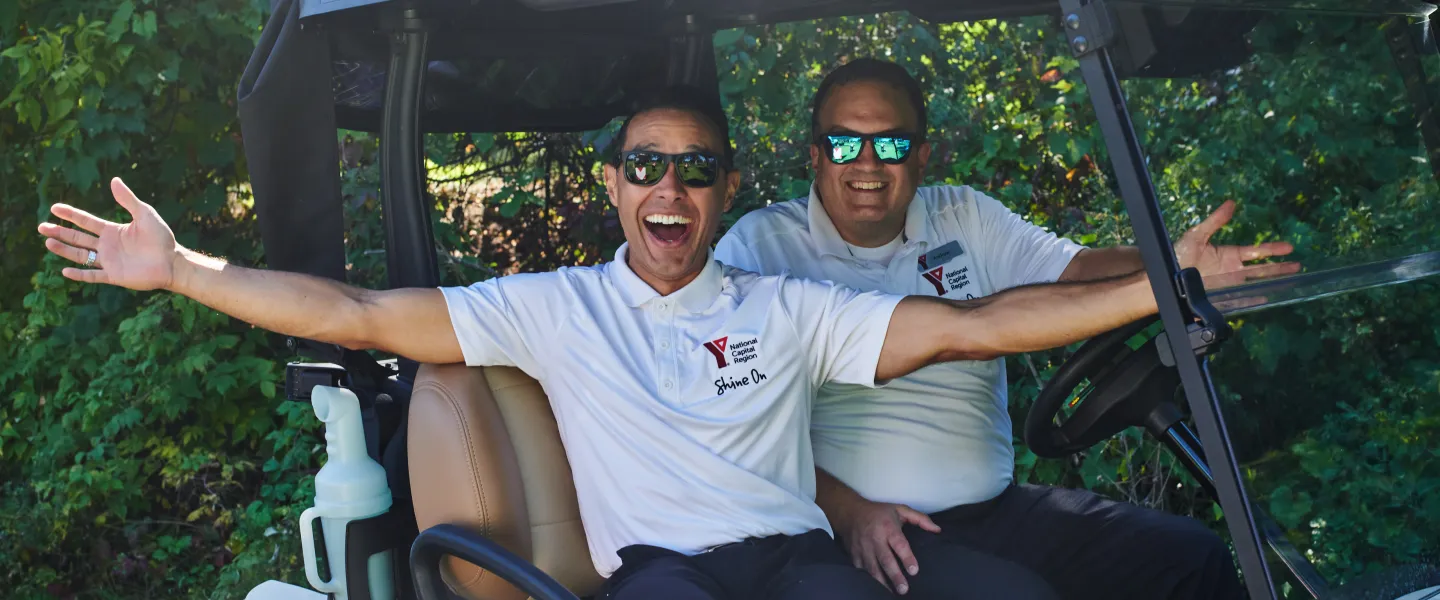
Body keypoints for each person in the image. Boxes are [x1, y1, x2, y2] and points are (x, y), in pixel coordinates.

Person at [40, 87, 1162, 600]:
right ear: (614, 184)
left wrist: (1166, 287)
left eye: (695, 169)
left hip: (798, 560)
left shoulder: (785, 305)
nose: (668, 188)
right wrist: (183, 271)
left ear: (725, 190)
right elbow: (361, 316)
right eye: (645, 167)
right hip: (668, 577)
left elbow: (980, 326)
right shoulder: (553, 307)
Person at [715, 59, 1296, 600]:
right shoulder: (760, 249)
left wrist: (1174, 266)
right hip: (860, 532)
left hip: (994, 511)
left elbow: (1075, 271)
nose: (867, 163)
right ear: (815, 155)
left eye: (890, 143)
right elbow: (737, 430)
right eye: (844, 143)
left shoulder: (962, 215)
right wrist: (847, 511)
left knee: (1192, 558)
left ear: (921, 155)